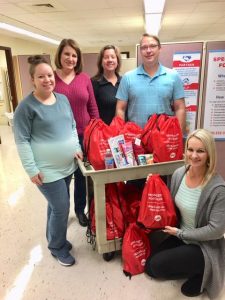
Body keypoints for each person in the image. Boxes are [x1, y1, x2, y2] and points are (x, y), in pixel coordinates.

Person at [13, 55, 83, 266]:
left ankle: (54, 238)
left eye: (50, 75)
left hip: (67, 166)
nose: (47, 80)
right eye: (40, 76)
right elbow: (22, 141)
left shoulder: (62, 99)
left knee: (56, 206)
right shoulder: (26, 107)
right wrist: (31, 169)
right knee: (61, 207)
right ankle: (57, 247)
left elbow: (71, 126)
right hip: (46, 170)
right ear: (32, 79)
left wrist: (77, 148)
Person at [145, 129, 225, 298]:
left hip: (204, 245)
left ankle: (204, 271)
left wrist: (181, 233)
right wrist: (154, 184)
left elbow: (216, 230)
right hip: (180, 236)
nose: (194, 155)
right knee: (150, 267)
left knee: (158, 266)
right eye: (190, 149)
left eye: (200, 151)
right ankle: (190, 265)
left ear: (209, 154)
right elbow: (169, 203)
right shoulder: (179, 174)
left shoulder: (218, 189)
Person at [54, 39, 99, 227]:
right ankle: (61, 211)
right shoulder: (51, 79)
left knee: (82, 177)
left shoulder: (84, 78)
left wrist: (97, 131)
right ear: (59, 55)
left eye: (74, 55)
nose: (70, 58)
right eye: (67, 54)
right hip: (60, 138)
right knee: (62, 177)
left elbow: (93, 107)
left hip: (85, 135)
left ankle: (80, 210)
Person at [116, 33, 186, 132]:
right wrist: (121, 135)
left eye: (152, 46)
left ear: (159, 48)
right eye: (144, 47)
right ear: (140, 51)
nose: (148, 50)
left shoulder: (173, 76)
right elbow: (120, 109)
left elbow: (180, 108)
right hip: (136, 139)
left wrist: (176, 135)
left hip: (163, 139)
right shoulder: (128, 77)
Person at [91, 45, 122, 125]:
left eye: (113, 57)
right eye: (106, 57)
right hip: (103, 133)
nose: (110, 60)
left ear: (117, 61)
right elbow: (91, 110)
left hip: (122, 132)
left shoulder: (124, 82)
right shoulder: (93, 83)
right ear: (101, 62)